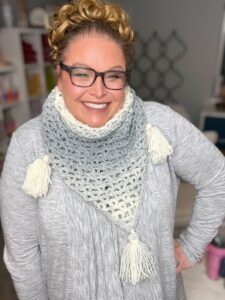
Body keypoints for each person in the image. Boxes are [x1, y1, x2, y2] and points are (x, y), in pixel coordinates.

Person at [1, 0, 225, 299]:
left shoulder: (158, 125)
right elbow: (23, 254)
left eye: (113, 75)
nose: (98, 90)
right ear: (59, 72)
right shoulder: (29, 145)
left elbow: (217, 177)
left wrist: (192, 244)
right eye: (82, 73)